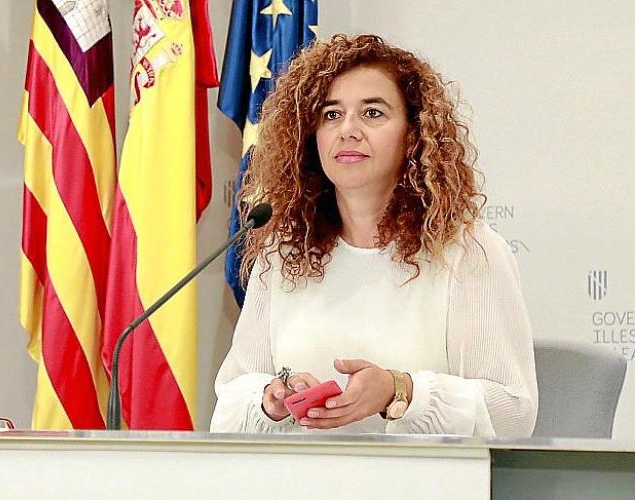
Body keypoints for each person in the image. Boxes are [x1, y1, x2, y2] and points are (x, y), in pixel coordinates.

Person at [210, 34, 537, 436]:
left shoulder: (468, 252)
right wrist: (271, 400)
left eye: (373, 113)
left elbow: (514, 414)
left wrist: (400, 392)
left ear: (413, 133)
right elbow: (228, 406)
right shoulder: (284, 252)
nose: (348, 130)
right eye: (331, 114)